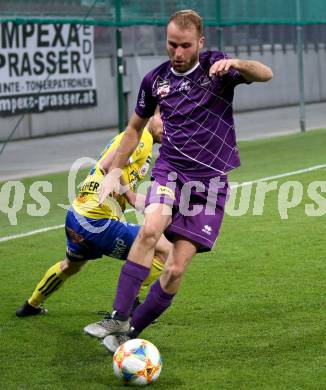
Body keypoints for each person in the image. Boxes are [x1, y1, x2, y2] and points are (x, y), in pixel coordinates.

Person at [84, 9, 273, 351]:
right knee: (150, 229)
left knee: (175, 269)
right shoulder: (155, 80)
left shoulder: (219, 69)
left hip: (210, 184)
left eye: (185, 45)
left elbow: (266, 74)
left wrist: (238, 65)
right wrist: (115, 169)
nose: (178, 53)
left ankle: (129, 333)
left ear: (200, 42)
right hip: (171, 171)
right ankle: (119, 314)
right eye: (172, 44)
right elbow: (133, 129)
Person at [16, 112, 172, 323]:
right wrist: (131, 195)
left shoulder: (133, 137)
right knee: (164, 249)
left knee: (70, 266)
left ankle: (31, 304)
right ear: (152, 115)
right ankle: (130, 304)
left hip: (77, 217)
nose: (169, 126)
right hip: (97, 222)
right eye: (166, 119)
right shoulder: (141, 137)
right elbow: (109, 164)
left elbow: (108, 165)